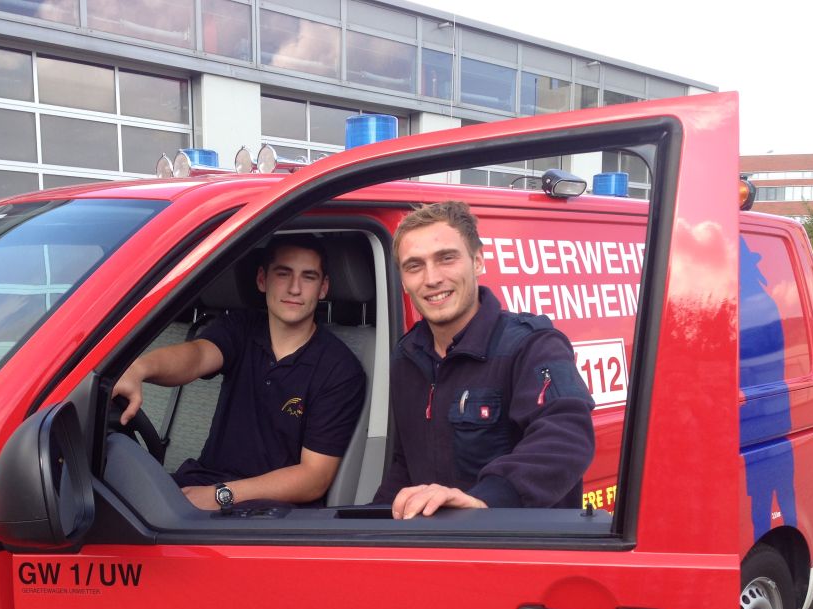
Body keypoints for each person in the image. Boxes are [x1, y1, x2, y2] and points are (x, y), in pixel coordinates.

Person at [373, 201, 595, 519]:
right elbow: (406, 464)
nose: (431, 278)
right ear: (403, 280)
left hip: (513, 542)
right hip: (434, 543)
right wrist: (368, 525)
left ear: (477, 261)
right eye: (414, 266)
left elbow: (566, 439)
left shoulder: (532, 346)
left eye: (446, 258)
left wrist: (485, 502)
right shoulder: (407, 357)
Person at [114, 235, 366, 511]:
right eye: (283, 274)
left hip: (273, 511)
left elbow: (313, 478)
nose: (295, 288)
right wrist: (140, 368)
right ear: (262, 279)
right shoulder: (241, 327)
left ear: (323, 288)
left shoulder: (339, 369)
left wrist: (221, 496)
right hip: (205, 482)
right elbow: (197, 356)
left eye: (308, 277)